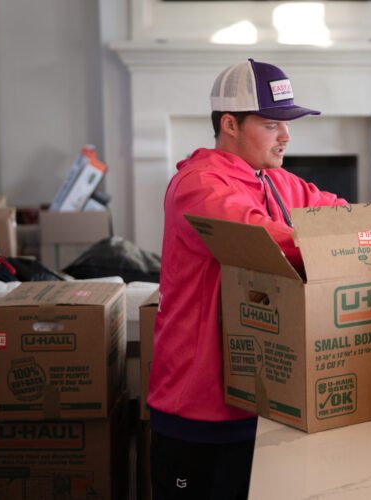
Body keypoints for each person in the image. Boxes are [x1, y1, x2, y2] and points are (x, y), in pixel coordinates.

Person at [148, 59, 346, 499]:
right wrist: (356, 245)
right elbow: (268, 240)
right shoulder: (198, 185)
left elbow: (338, 212)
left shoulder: (276, 181)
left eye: (287, 124)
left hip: (259, 401)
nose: (286, 136)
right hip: (196, 410)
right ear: (230, 124)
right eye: (272, 124)